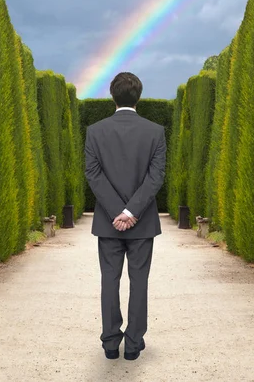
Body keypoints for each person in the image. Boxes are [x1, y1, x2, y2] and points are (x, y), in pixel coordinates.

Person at [84, 72, 167, 361]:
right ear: (139, 97)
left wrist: (117, 212)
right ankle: (133, 345)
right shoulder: (155, 131)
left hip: (108, 223)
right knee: (139, 281)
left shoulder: (95, 131)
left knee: (110, 280)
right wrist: (131, 212)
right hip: (142, 223)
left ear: (112, 96)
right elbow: (155, 178)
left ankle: (110, 343)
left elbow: (93, 175)